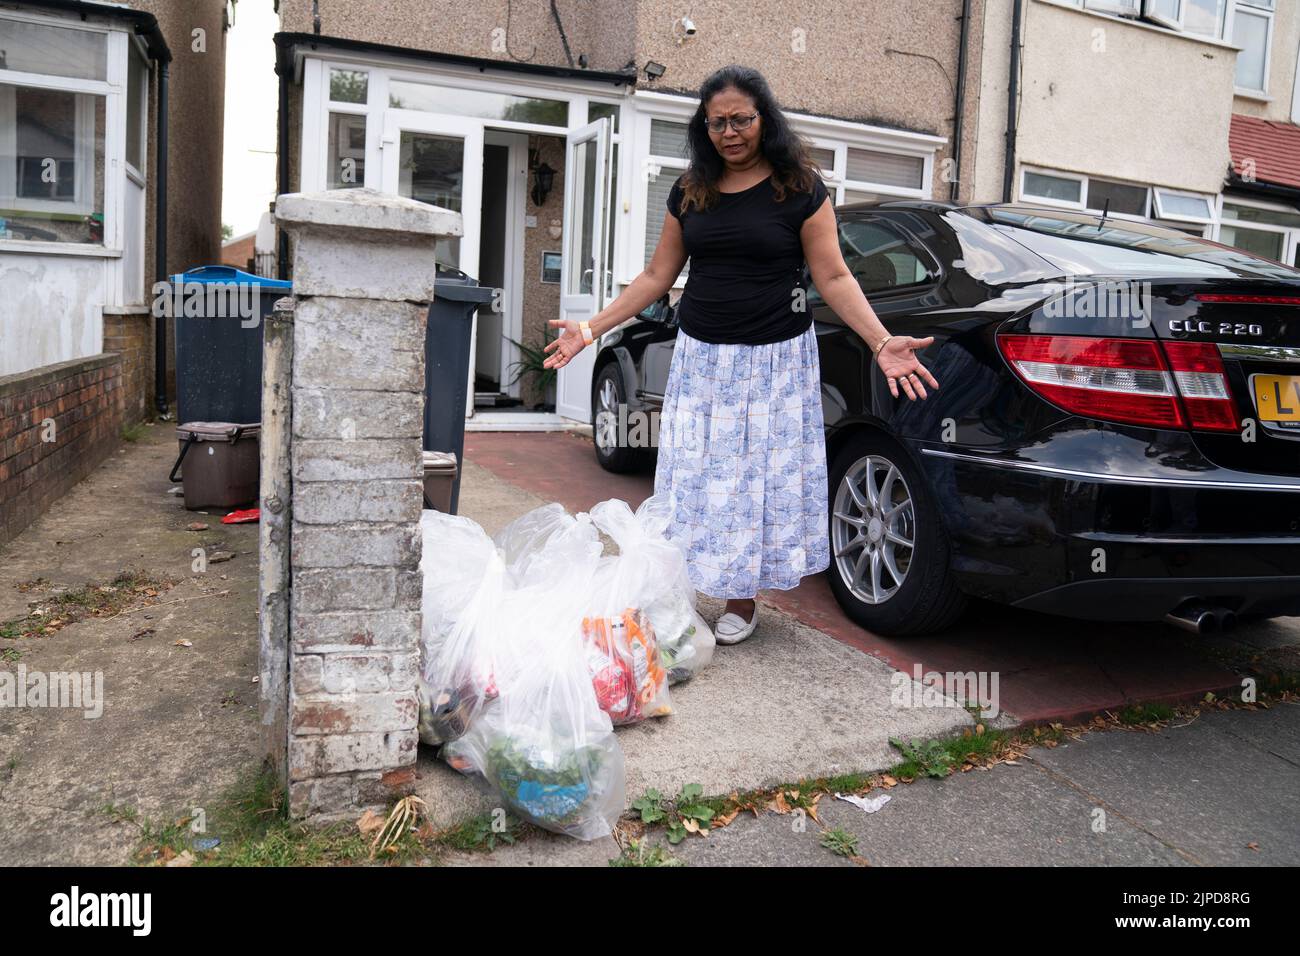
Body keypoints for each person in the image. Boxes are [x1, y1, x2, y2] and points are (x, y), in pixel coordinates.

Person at [544, 64, 938, 645]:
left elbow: (832, 275)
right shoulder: (690, 190)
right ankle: (678, 583)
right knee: (695, 475)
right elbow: (657, 276)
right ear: (704, 128)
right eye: (716, 122)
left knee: (750, 480)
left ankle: (741, 599)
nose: (729, 132)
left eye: (741, 120)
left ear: (764, 119)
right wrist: (591, 328)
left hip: (775, 362)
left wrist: (880, 341)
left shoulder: (799, 188)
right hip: (703, 359)